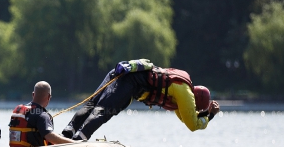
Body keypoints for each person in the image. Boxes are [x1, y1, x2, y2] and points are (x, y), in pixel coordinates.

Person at [62, 59, 221, 141]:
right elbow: (192, 124)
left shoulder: (181, 85)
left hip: (119, 72)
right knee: (103, 111)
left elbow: (186, 117)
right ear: (197, 102)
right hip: (129, 82)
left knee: (92, 104)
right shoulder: (186, 95)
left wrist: (205, 113)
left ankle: (68, 132)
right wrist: (210, 116)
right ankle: (77, 140)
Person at [9, 81, 75, 147]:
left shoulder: (21, 111)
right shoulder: (42, 115)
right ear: (49, 97)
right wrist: (75, 144)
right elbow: (50, 137)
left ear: (33, 94)